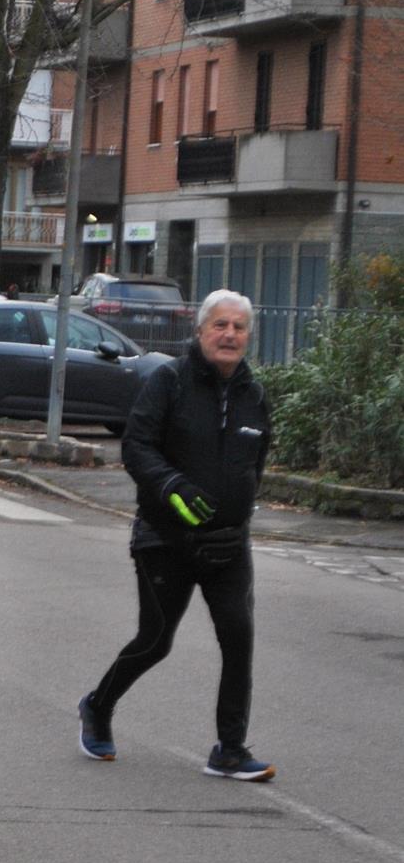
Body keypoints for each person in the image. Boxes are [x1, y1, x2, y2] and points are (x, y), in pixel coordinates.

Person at [78, 288, 274, 780]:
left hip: (228, 544)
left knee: (238, 637)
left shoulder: (254, 394)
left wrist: (239, 510)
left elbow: (257, 460)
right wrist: (173, 488)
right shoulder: (169, 381)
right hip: (165, 540)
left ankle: (230, 749)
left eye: (238, 327)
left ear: (248, 336)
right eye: (220, 325)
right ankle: (98, 707)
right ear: (201, 331)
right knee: (156, 640)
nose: (229, 334)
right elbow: (137, 447)